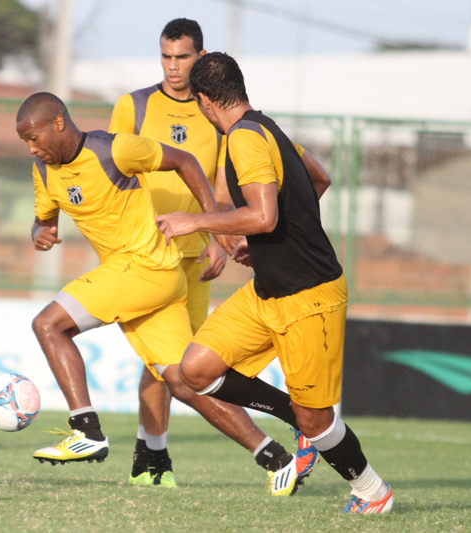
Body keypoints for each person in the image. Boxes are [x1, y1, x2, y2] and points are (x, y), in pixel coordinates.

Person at [17, 91, 317, 496]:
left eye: (34, 138)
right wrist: (42, 233)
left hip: (144, 268)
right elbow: (43, 218)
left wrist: (210, 224)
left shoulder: (115, 150)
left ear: (58, 123)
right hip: (149, 279)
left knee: (48, 324)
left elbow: (185, 160)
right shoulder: (44, 170)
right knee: (183, 381)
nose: (32, 148)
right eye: (26, 142)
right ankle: (275, 458)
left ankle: (85, 429)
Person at [156, 52, 394, 513]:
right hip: (267, 291)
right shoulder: (268, 128)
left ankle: (372, 491)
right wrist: (270, 242)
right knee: (196, 370)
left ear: (205, 101)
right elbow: (318, 179)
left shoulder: (244, 139)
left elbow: (263, 216)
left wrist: (197, 221)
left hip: (309, 298)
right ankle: (296, 421)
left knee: (319, 419)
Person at [108, 18, 231, 487]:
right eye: (166, 56)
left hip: (195, 254)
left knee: (182, 366)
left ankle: (148, 454)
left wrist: (218, 238)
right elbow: (112, 171)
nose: (173, 66)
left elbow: (218, 182)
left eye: (182, 56)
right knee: (168, 364)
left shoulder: (214, 112)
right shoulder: (134, 105)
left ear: (199, 56)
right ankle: (152, 459)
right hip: (145, 253)